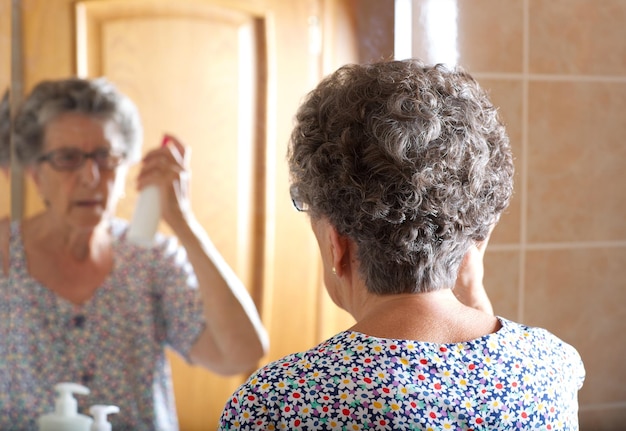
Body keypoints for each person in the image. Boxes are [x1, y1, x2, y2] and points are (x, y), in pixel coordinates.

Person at [219, 59, 585, 430]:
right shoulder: (552, 366)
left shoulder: (277, 403)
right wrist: (472, 290)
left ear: (335, 244)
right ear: (477, 239)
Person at [1, 77, 268, 430]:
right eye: (68, 159)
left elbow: (240, 354)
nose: (91, 176)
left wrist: (183, 222)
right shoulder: (5, 253)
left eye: (106, 157)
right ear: (34, 172)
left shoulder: (150, 257)